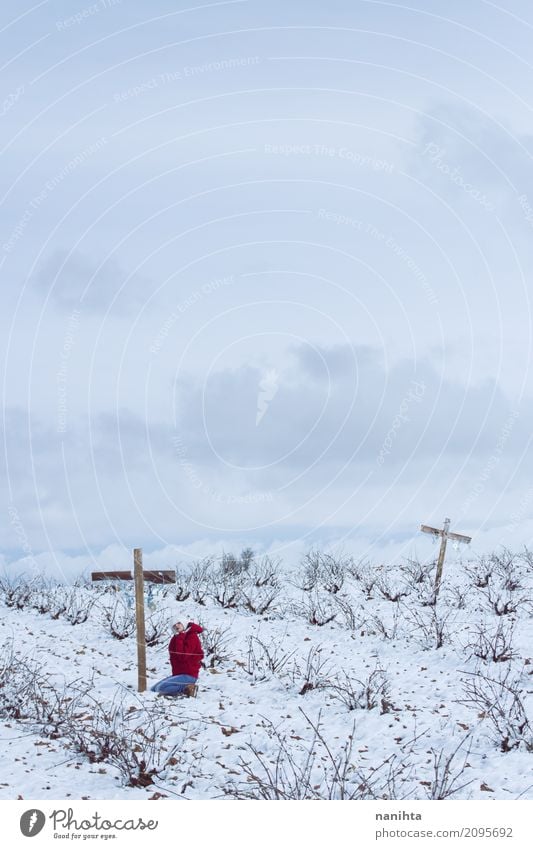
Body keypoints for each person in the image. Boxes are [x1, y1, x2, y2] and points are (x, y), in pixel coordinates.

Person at [151, 621, 204, 696]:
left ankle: (188, 689)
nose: (176, 626)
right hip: (178, 674)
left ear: (184, 623)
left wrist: (181, 636)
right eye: (174, 625)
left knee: (160, 688)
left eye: (179, 623)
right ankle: (183, 687)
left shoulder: (192, 636)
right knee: (153, 689)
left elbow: (183, 656)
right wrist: (180, 636)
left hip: (188, 675)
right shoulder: (177, 637)